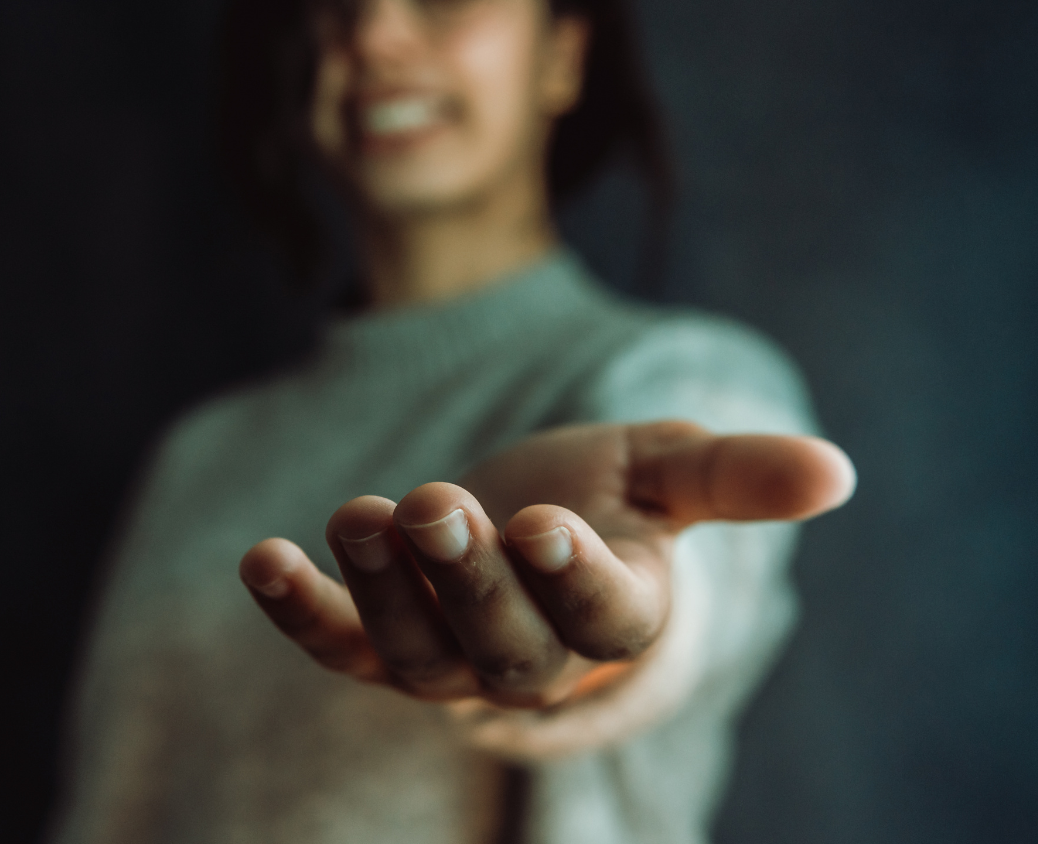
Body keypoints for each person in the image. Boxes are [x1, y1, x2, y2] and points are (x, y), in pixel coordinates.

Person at [49, 0, 856, 841]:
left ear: (563, 55)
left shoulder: (674, 375)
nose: (371, 36)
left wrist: (603, 623)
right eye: (331, 9)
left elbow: (693, 576)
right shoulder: (201, 454)